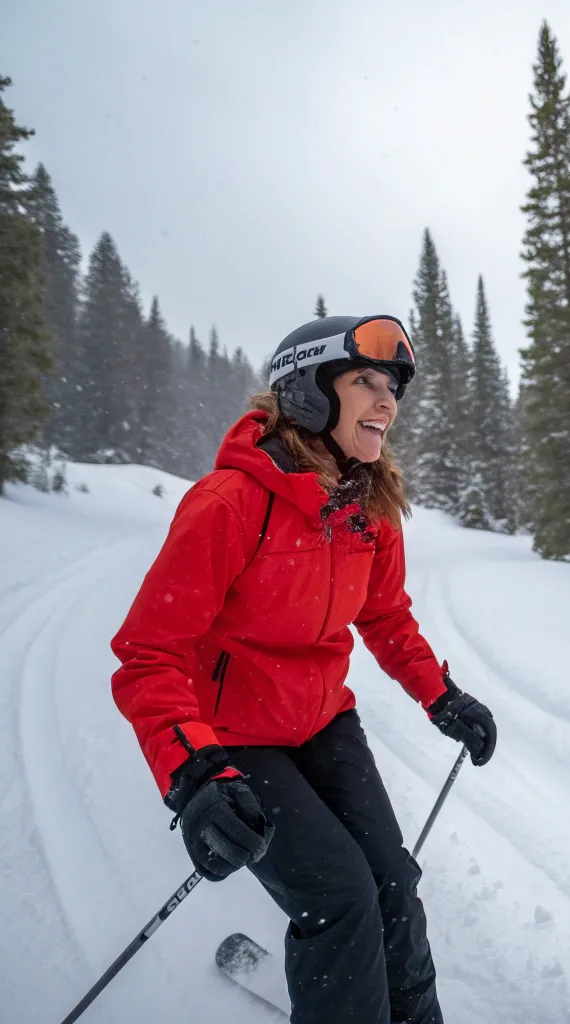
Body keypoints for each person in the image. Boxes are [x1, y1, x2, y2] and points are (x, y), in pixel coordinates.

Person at [111, 314, 497, 1024]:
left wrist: (442, 697)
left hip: (322, 722)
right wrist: (194, 771)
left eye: (393, 390)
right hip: (235, 737)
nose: (387, 403)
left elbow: (384, 617)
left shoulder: (367, 508)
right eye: (366, 383)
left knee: (392, 885)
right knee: (339, 898)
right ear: (312, 393)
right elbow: (149, 653)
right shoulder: (230, 504)